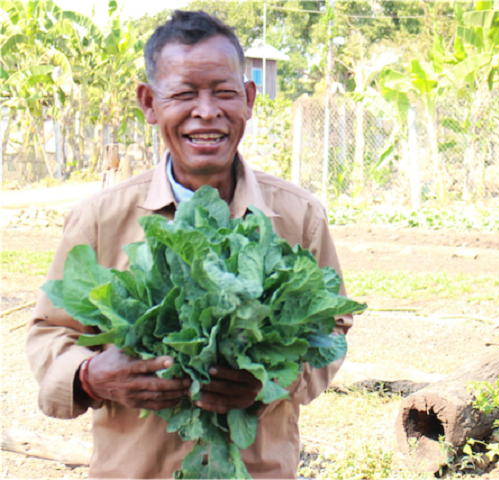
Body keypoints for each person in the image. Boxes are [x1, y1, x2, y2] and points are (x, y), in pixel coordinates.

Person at [26, 10, 352, 479]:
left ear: (249, 99)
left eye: (223, 92)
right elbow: (50, 331)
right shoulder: (99, 219)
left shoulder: (299, 217)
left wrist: (271, 381)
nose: (206, 112)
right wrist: (91, 376)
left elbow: (332, 328)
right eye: (183, 94)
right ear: (149, 102)